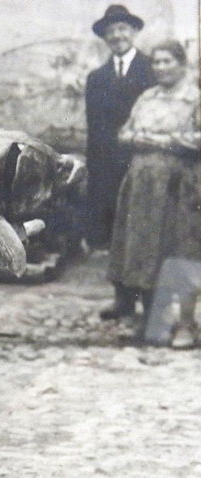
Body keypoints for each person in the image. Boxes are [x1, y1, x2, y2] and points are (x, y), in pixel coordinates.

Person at [103, 40, 200, 333]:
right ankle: (151, 319)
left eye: (167, 61)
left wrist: (164, 140)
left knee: (179, 250)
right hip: (142, 187)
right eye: (156, 62)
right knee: (143, 250)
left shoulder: (194, 99)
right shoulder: (147, 98)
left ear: (182, 64)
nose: (160, 67)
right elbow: (124, 132)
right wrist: (135, 137)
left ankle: (185, 324)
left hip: (177, 188)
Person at [84, 5, 155, 250]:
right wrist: (94, 166)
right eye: (111, 31)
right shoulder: (96, 78)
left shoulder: (152, 69)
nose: (117, 36)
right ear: (105, 37)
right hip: (107, 160)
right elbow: (94, 129)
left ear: (134, 31)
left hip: (141, 156)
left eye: (122, 28)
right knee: (111, 221)